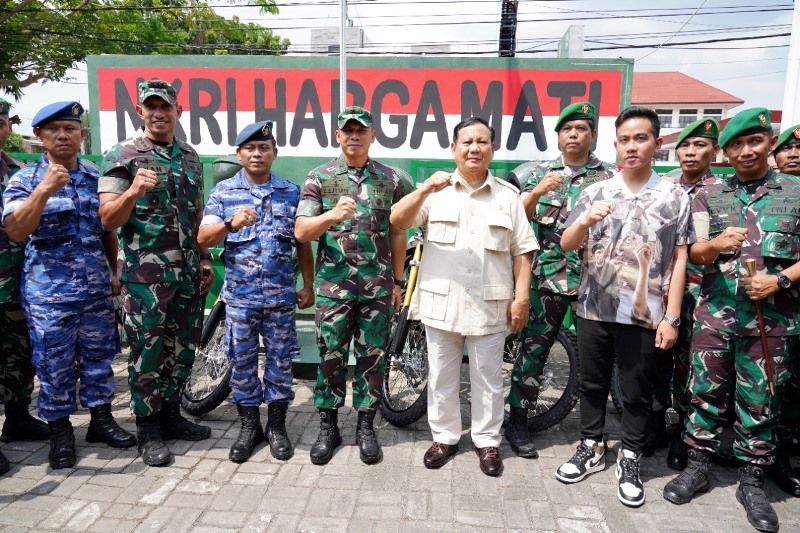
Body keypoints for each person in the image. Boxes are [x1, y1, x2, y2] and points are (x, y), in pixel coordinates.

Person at [661, 109, 800, 532]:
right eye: (736, 144)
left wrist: (780, 279)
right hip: (715, 315)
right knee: (704, 394)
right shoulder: (712, 194)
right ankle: (698, 466)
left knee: (760, 402)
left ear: (769, 141)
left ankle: (752, 481)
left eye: (754, 141)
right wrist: (716, 245)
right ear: (727, 151)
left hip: (771, 320)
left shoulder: (794, 191)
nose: (745, 151)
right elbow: (694, 253)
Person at [555, 106, 692, 508]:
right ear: (615, 145)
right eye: (625, 140)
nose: (632, 146)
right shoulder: (595, 191)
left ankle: (629, 457)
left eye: (641, 138)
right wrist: (585, 221)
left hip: (644, 312)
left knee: (636, 391)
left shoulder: (673, 196)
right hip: (593, 306)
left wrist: (671, 316)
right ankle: (591, 446)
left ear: (657, 143)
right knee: (592, 384)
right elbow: (566, 242)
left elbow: (680, 258)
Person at [390, 116, 538, 476]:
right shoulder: (435, 191)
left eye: (482, 142)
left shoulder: (508, 196)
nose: (475, 148)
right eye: (467, 142)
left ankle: (487, 442)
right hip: (443, 302)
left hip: (491, 303)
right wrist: (425, 190)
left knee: (489, 377)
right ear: (453, 149)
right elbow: (398, 219)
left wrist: (521, 298)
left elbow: (523, 251)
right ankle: (444, 437)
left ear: (492, 149)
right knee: (441, 374)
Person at [2, 102, 136, 470]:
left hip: (94, 290)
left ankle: (101, 422)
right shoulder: (25, 180)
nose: (63, 135)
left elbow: (107, 228)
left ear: (81, 135)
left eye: (70, 128)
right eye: (54, 130)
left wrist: (114, 271)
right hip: (49, 295)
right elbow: (15, 230)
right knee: (53, 365)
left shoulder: (96, 178)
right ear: (40, 137)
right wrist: (43, 191)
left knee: (99, 360)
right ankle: (61, 432)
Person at [98, 80, 214, 467]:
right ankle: (147, 428)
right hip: (145, 279)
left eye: (165, 106)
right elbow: (108, 219)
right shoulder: (123, 154)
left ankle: (170, 415)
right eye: (151, 106)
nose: (159, 113)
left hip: (185, 275)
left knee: (182, 349)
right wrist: (132, 191)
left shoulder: (190, 156)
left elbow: (197, 215)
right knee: (147, 353)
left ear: (178, 110)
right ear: (139, 111)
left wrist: (205, 257)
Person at [295, 106, 408, 465]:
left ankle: (365, 426)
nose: (354, 136)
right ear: (337, 135)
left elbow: (398, 232)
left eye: (361, 130)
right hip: (334, 289)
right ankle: (329, 427)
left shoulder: (391, 179)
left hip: (376, 288)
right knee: (331, 358)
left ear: (373, 136)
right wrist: (330, 215)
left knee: (372, 359)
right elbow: (301, 232)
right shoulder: (319, 178)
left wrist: (399, 280)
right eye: (348, 130)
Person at [197, 121, 314, 463]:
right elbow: (203, 239)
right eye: (250, 148)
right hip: (241, 302)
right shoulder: (224, 194)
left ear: (274, 153)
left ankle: (276, 427)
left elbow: (303, 244)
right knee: (243, 364)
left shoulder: (292, 193)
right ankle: (249, 428)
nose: (257, 153)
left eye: (264, 148)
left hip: (280, 300)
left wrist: (307, 285)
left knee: (280, 364)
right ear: (239, 154)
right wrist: (231, 223)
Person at [511, 102, 615, 458]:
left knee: (598, 357)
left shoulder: (611, 179)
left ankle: (594, 431)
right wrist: (537, 192)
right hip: (546, 279)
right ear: (558, 136)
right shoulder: (535, 173)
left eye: (581, 129)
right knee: (533, 353)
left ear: (593, 136)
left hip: (597, 281)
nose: (573, 134)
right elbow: (517, 221)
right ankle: (518, 421)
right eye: (567, 129)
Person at [644, 118, 721, 468]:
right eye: (686, 146)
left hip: (704, 297)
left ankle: (684, 437)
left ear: (714, 151)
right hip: (661, 292)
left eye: (700, 146)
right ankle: (657, 424)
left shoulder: (724, 191)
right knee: (656, 363)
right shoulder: (666, 187)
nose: (691, 152)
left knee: (691, 370)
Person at [0, 98, 50, 472]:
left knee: (19, 354)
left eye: (0, 120)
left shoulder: (16, 170)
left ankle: (17, 418)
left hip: (17, 279)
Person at [771, 123, 800, 497]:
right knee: (778, 386)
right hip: (778, 309)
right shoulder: (730, 194)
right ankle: (776, 455)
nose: (793, 154)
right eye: (787, 149)